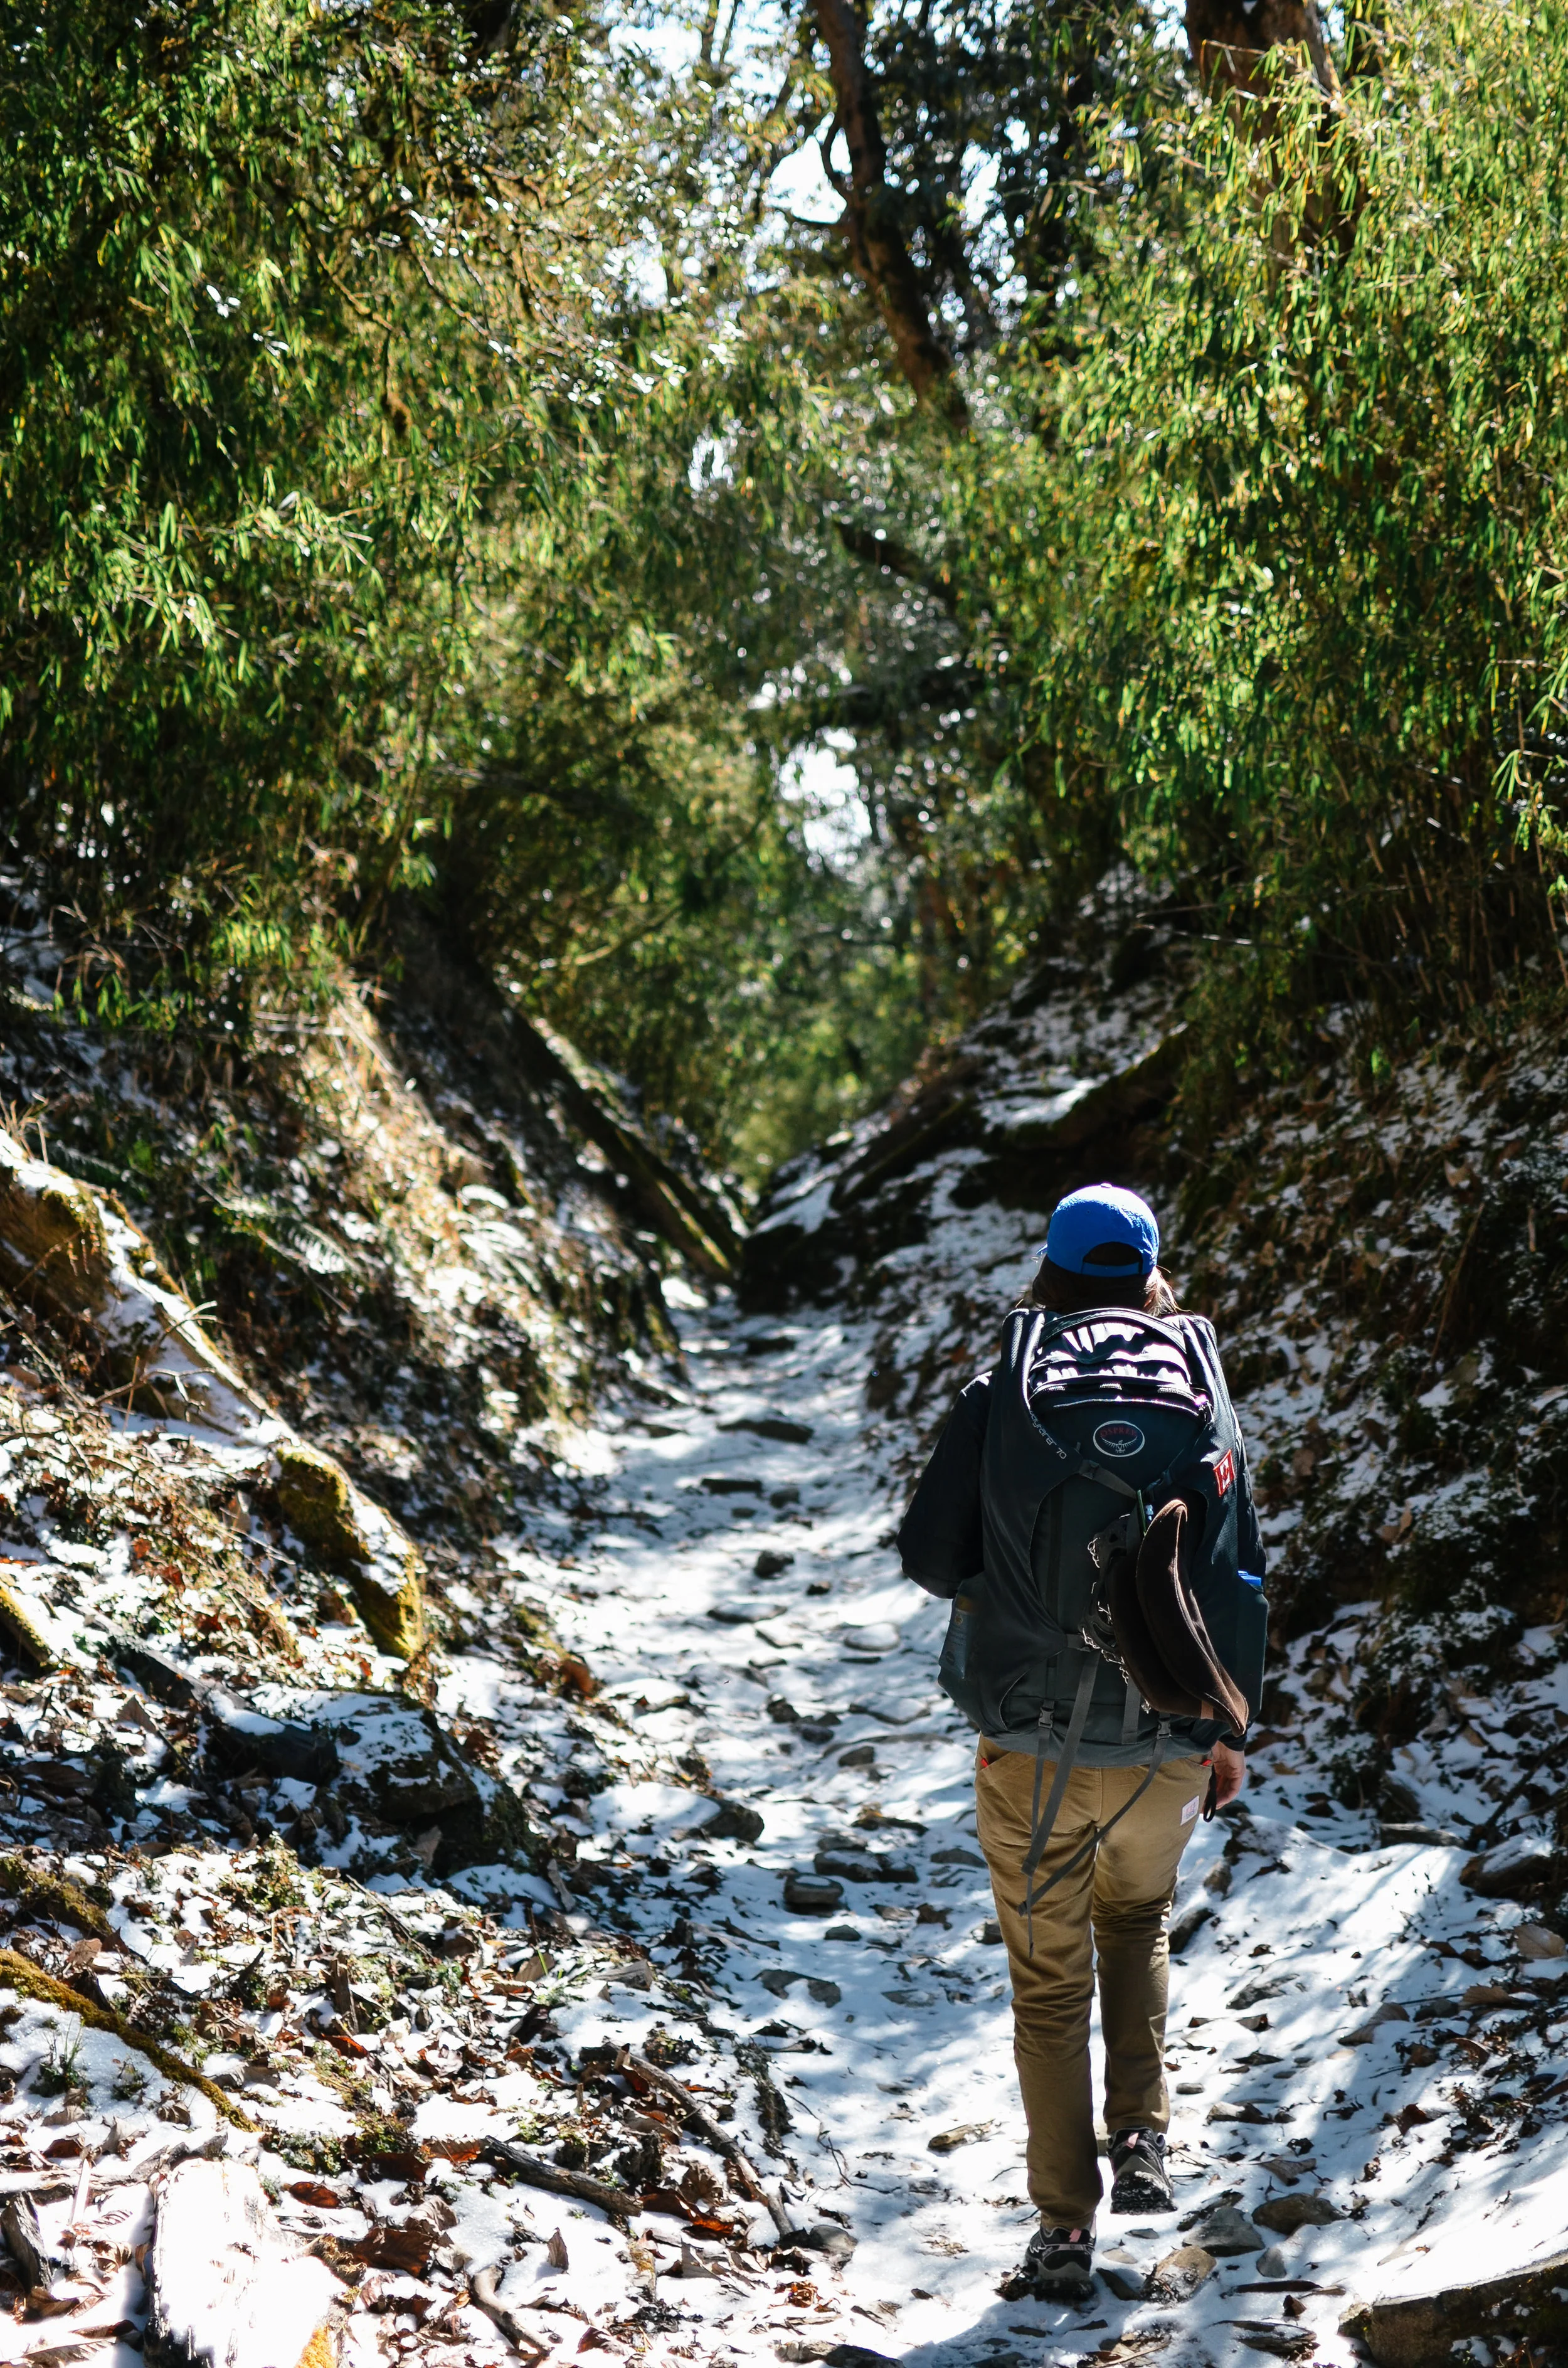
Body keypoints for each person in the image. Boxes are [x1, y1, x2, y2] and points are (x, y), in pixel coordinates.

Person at [896, 1183, 1266, 2300]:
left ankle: (1064, 2230)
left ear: (1051, 1270)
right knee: (1140, 1917)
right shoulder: (1196, 1385)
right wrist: (1228, 1722)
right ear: (1152, 1271)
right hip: (1166, 1741)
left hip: (1027, 1745)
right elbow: (1238, 1573)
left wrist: (1012, 1589)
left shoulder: (1006, 1385)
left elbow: (926, 1549)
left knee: (1048, 1983)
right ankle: (1143, 2135)